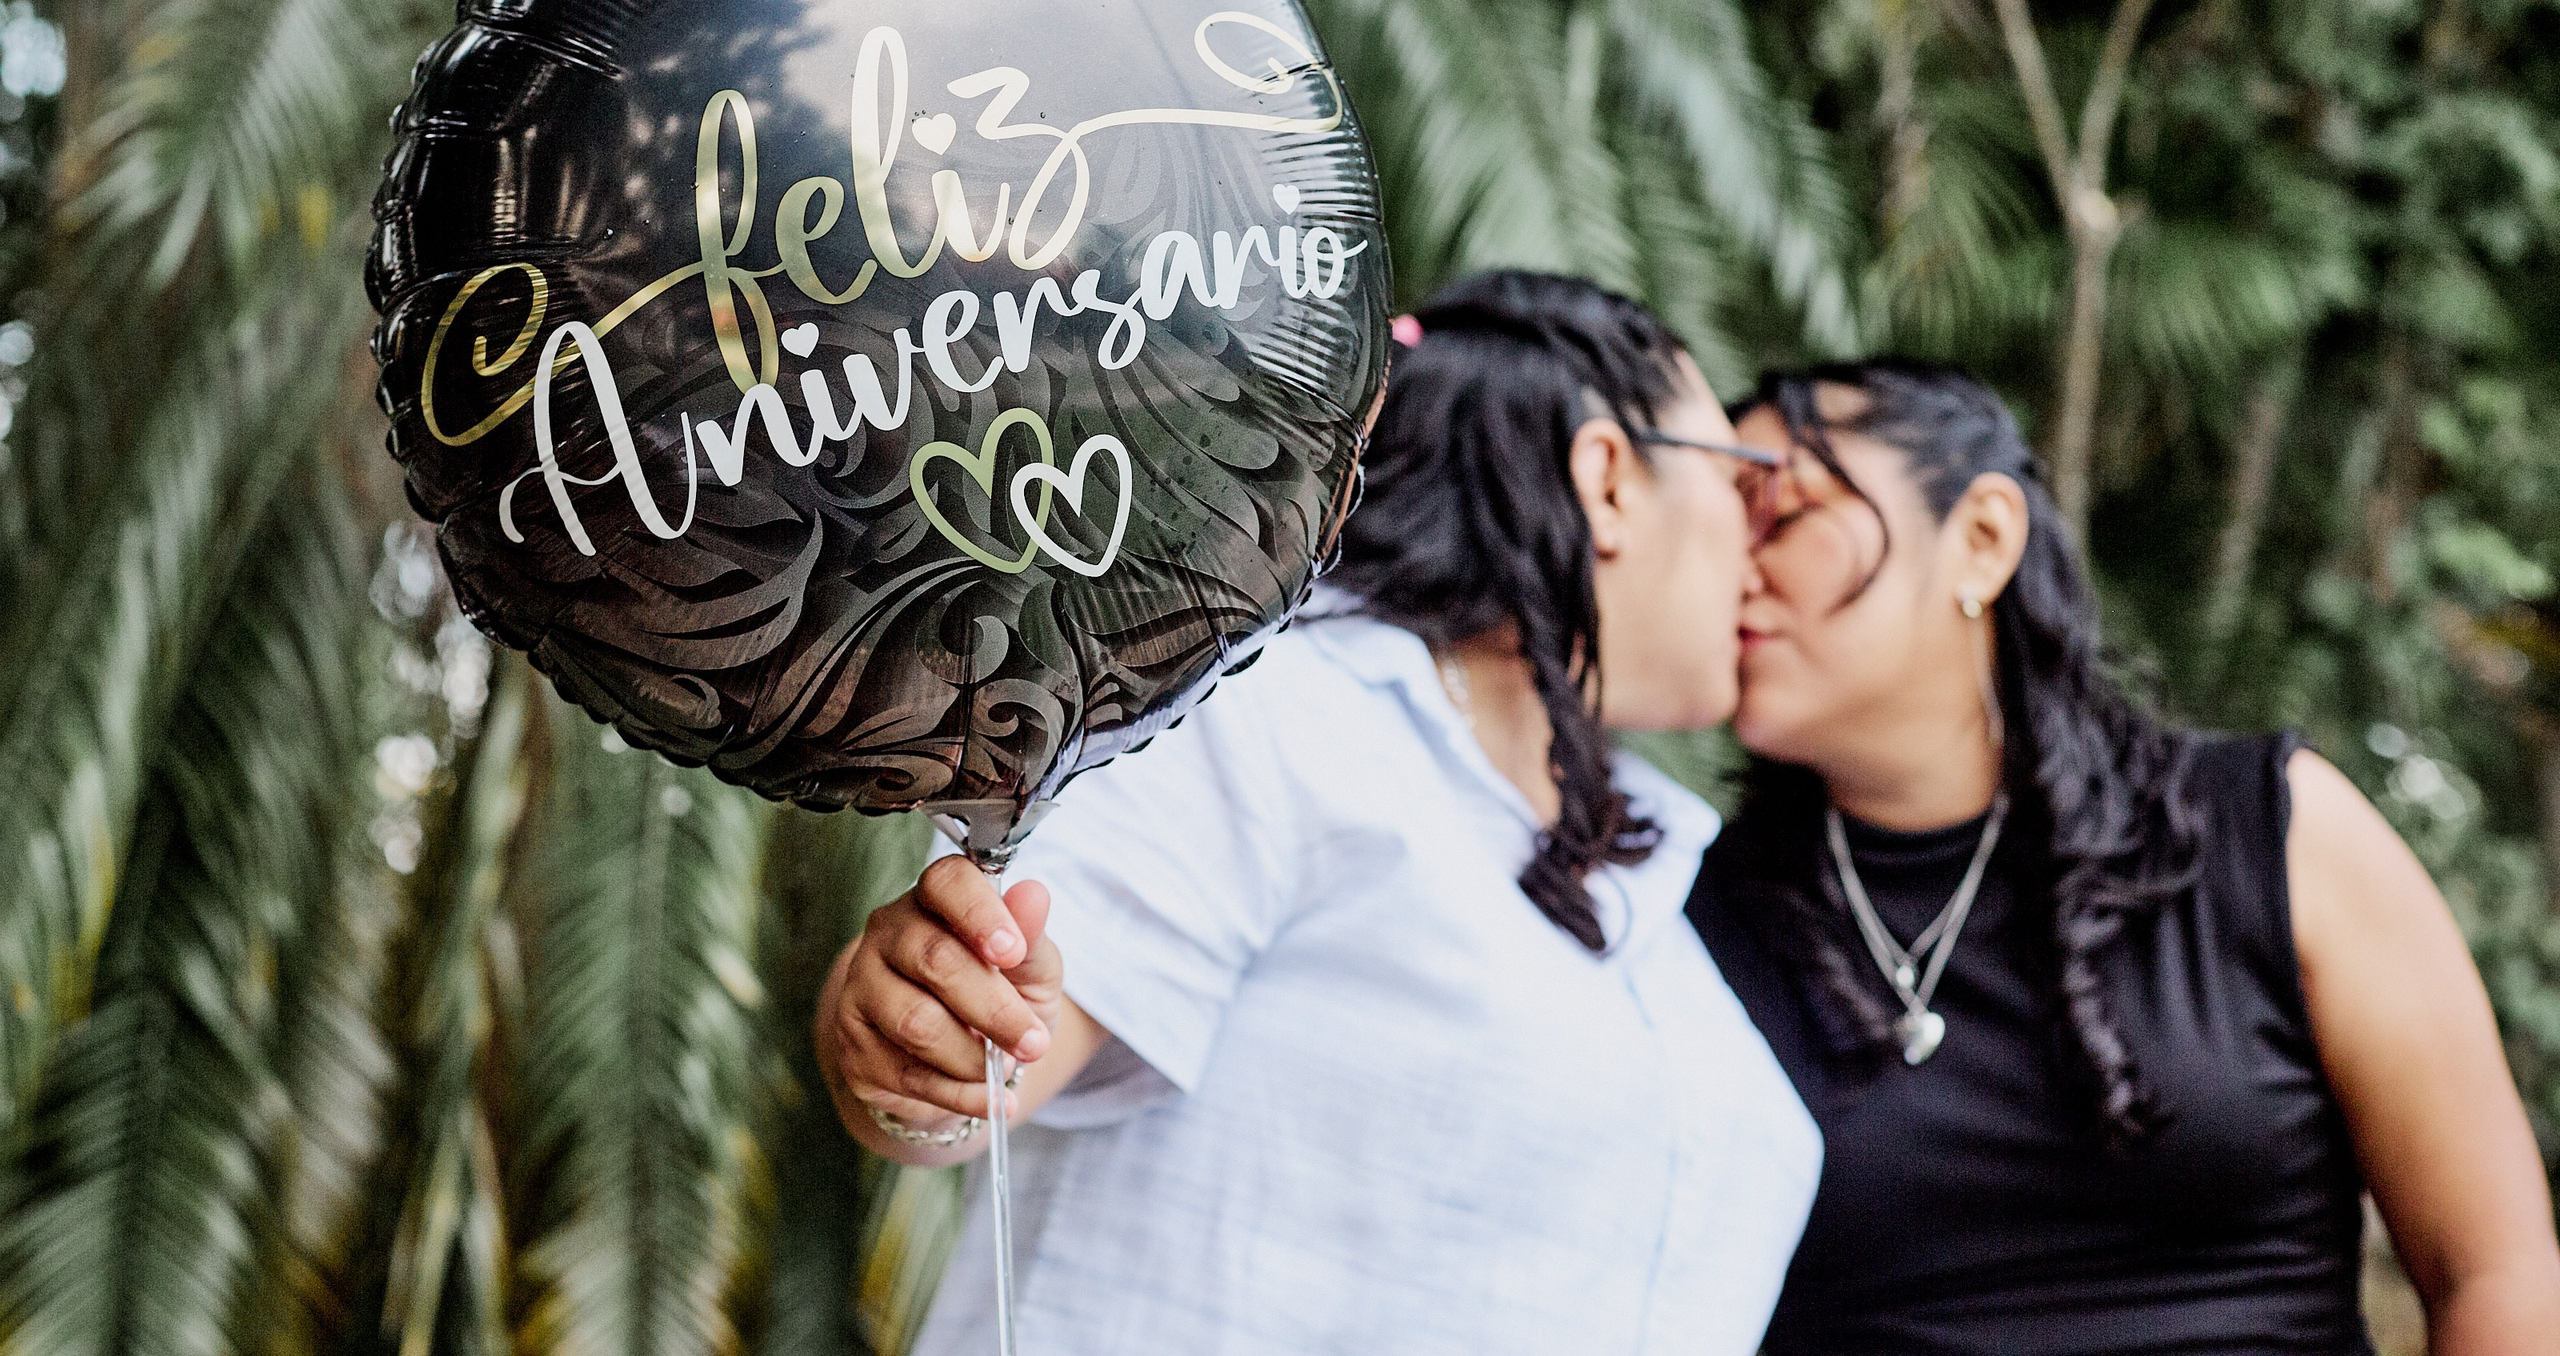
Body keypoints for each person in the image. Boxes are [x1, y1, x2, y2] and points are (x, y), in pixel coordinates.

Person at [814, 271, 1821, 1355]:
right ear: (1609, 478)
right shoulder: (1268, 716)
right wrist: (919, 1048)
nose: (1764, 557)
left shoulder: (1654, 862)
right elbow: (977, 1056)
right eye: (1749, 485)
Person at [1686, 359, 2560, 1355]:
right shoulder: (1685, 921)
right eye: (1713, 530)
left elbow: (2497, 1269)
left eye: (1782, 514)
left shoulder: (2271, 831)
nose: (1734, 567)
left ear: (1980, 541)